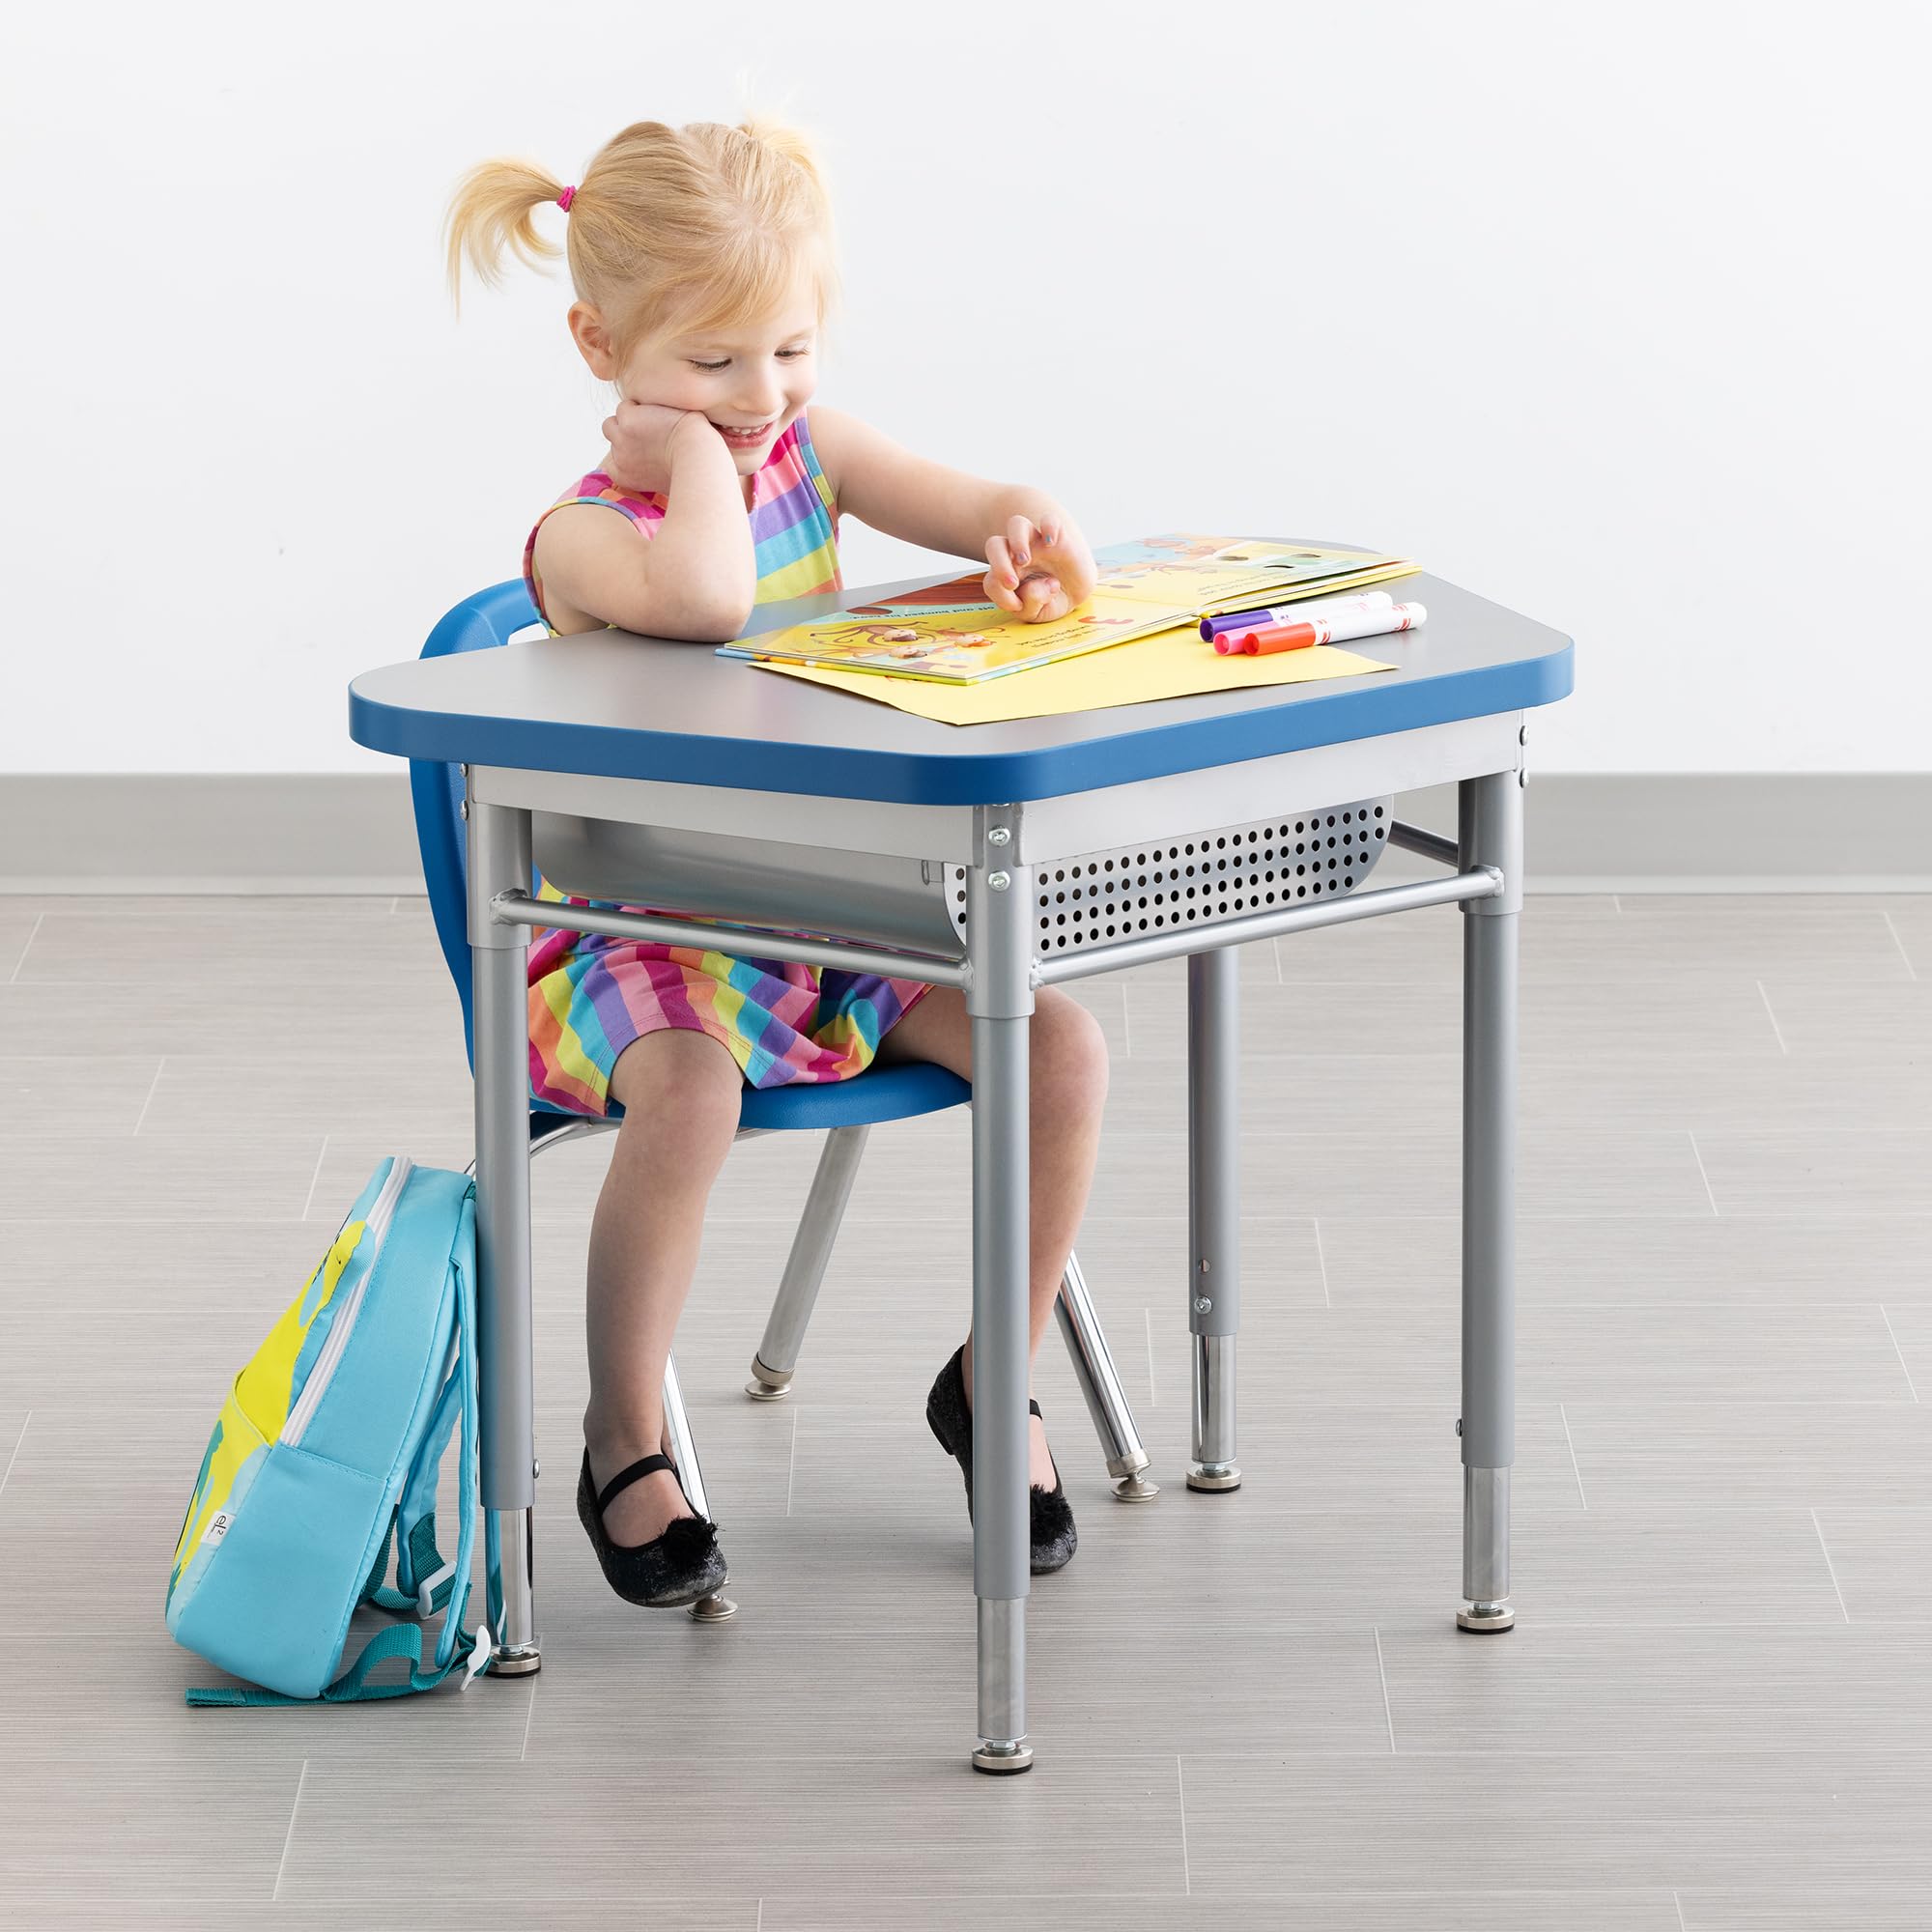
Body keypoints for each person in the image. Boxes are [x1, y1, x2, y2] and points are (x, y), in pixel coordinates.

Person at [442, 116, 1109, 1611]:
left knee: (1058, 1044)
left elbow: (955, 497)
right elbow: (707, 598)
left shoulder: (810, 449)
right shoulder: (584, 537)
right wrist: (683, 455)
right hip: (637, 932)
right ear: (597, 343)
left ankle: (993, 1377)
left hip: (831, 922)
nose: (760, 400)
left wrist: (1016, 520)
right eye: (713, 365)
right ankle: (624, 1434)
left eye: (790, 353)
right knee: (687, 1090)